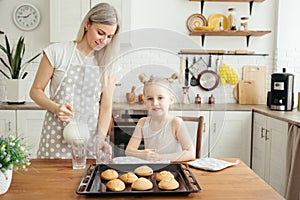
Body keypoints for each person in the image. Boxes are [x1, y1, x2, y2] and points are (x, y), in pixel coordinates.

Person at [30, 3, 120, 158]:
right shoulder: (57, 52)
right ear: (87, 24)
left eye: (109, 36)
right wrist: (56, 108)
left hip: (89, 138)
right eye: (100, 33)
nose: (104, 40)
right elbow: (35, 91)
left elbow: (105, 106)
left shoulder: (109, 63)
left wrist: (100, 138)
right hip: (55, 136)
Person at [125, 73, 195, 162]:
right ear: (144, 100)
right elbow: (128, 151)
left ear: (171, 99)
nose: (154, 103)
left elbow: (190, 153)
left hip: (172, 171)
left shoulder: (176, 123)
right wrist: (141, 154)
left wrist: (161, 158)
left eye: (160, 98)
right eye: (150, 98)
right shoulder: (142, 122)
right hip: (150, 170)